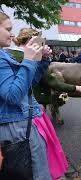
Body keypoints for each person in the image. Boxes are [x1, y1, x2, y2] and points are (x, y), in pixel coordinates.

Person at [0, 11, 52, 179]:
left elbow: (28, 85)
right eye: (8, 29)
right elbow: (13, 95)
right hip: (18, 127)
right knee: (36, 173)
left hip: (21, 122)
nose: (12, 34)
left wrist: (42, 60)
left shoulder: (4, 55)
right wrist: (29, 59)